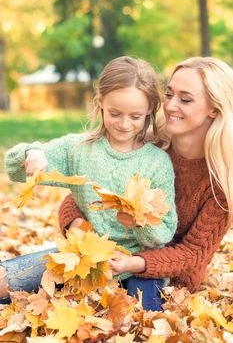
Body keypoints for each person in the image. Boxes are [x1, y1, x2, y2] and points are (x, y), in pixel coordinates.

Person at [2, 56, 177, 311]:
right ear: (101, 103)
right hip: (83, 257)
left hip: (135, 264)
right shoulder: (79, 149)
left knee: (141, 317)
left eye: (135, 116)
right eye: (115, 113)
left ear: (150, 110)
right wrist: (32, 154)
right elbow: (15, 168)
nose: (124, 124)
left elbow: (166, 229)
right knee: (5, 279)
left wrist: (139, 224)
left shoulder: (157, 162)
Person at [58, 56, 233, 294]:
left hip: (167, 280)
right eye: (169, 94)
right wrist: (77, 225)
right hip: (103, 256)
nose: (170, 106)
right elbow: (88, 195)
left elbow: (194, 253)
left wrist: (135, 263)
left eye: (186, 99)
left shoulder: (223, 177)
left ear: (214, 108)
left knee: (131, 320)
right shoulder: (148, 145)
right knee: (16, 279)